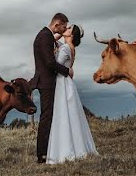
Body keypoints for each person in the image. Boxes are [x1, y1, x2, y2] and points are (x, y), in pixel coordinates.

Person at [47, 24, 99, 164]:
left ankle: (65, 149)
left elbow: (55, 65)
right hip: (67, 82)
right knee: (71, 115)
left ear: (72, 35)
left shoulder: (65, 48)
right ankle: (77, 146)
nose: (65, 29)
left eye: (68, 28)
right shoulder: (71, 48)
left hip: (62, 83)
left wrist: (52, 51)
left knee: (63, 114)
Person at [31, 13, 72, 163]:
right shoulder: (45, 36)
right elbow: (49, 62)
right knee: (46, 118)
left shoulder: (45, 35)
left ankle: (46, 151)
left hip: (45, 82)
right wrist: (67, 71)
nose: (65, 28)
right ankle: (42, 155)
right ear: (56, 24)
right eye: (63, 26)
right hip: (47, 83)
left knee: (48, 117)